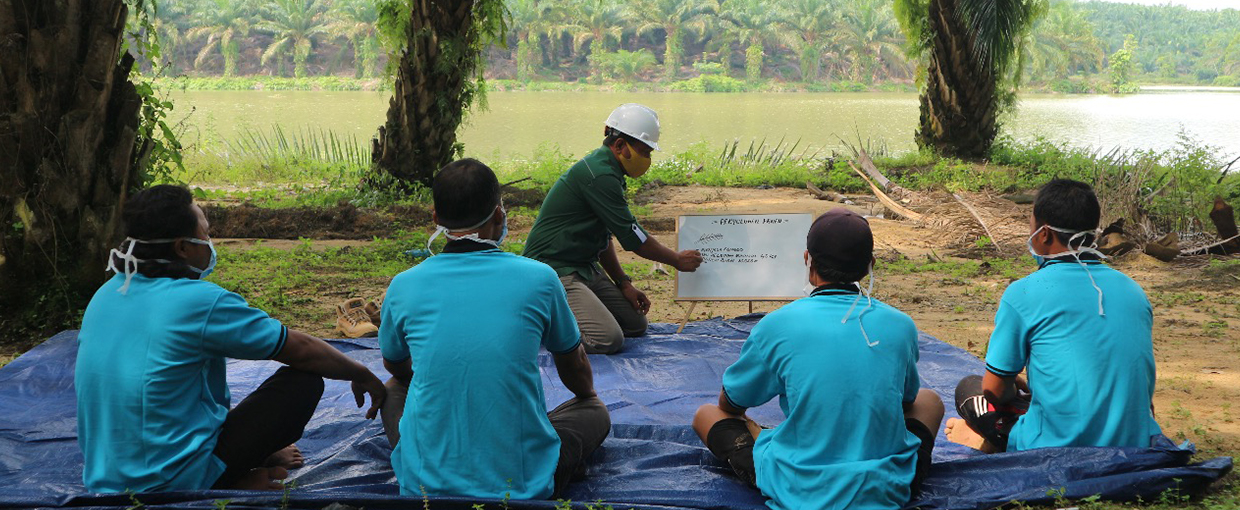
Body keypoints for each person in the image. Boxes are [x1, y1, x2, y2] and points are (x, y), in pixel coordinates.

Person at [76, 185, 387, 493]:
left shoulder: (107, 293)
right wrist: (360, 372)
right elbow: (301, 350)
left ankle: (242, 461)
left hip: (106, 476)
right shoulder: (198, 301)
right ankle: (225, 480)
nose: (210, 243)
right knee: (303, 381)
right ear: (183, 248)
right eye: (206, 234)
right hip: (172, 480)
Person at [378, 159, 610, 500]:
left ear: (436, 218)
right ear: (499, 216)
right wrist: (586, 396)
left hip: (424, 486)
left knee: (392, 389)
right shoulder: (540, 278)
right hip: (522, 483)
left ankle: (424, 455)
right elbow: (574, 366)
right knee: (595, 411)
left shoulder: (403, 285)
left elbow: (395, 364)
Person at [691, 208, 943, 510]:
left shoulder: (777, 325)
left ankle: (768, 468)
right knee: (930, 401)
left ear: (807, 259)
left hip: (799, 489)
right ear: (871, 265)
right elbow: (907, 401)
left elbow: (731, 404)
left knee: (706, 414)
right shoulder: (901, 325)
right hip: (886, 486)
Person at [944, 179, 1162, 453]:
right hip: (1133, 442)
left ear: (1044, 234)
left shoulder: (1023, 293)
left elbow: (994, 391)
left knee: (970, 389)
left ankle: (987, 439)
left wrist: (1010, 385)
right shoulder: (1133, 291)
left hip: (1054, 448)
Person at [523, 103, 703, 354]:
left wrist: (623, 283)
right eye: (644, 152)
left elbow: (605, 237)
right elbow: (634, 237)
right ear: (619, 146)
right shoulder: (599, 175)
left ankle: (566, 314)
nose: (647, 160)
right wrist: (676, 259)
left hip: (583, 267)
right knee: (607, 339)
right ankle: (541, 323)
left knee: (635, 324)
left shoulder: (610, 172)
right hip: (554, 270)